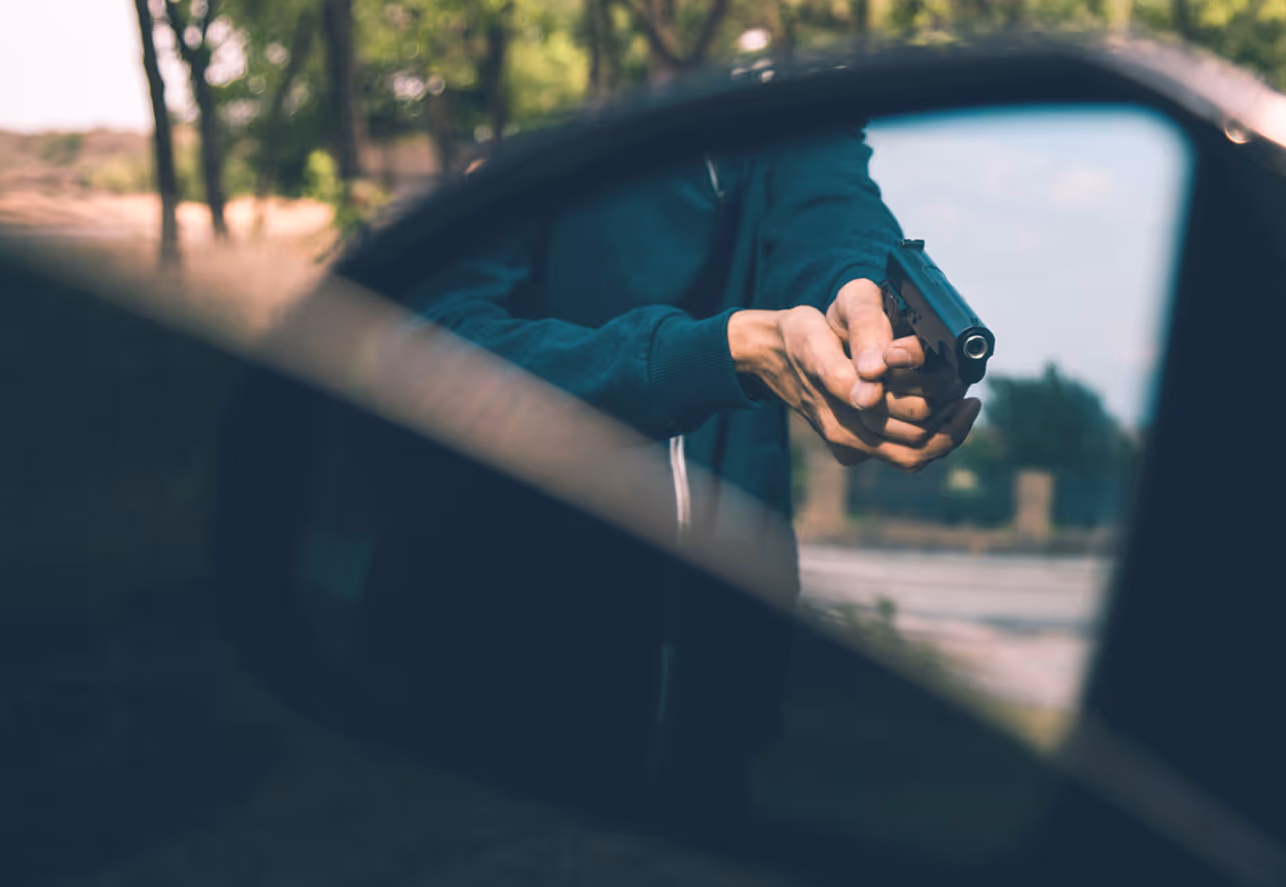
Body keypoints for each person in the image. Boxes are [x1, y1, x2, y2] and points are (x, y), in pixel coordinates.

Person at [375, 123, 979, 814]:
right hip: (492, 688)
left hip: (717, 713)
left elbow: (833, 212)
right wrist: (713, 355)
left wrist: (864, 301)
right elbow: (428, 342)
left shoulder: (791, 92)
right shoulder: (545, 103)